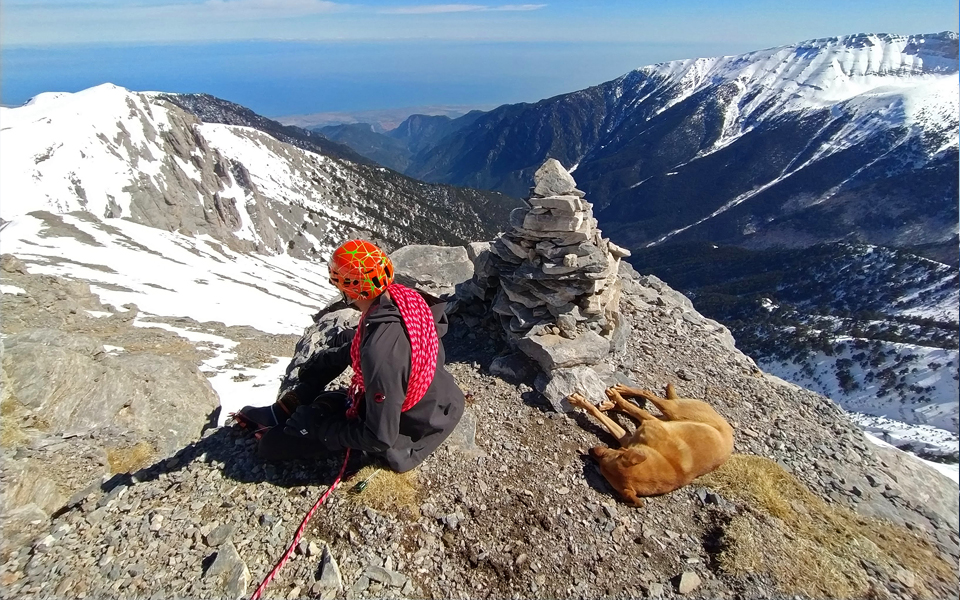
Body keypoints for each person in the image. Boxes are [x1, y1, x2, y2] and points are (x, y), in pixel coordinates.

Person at [233, 239, 465, 473]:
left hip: (412, 433)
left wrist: (319, 429)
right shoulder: (408, 301)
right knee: (344, 344)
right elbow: (362, 345)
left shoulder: (379, 355)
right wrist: (322, 364)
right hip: (439, 402)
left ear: (350, 290)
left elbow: (379, 438)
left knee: (271, 445)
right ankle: (290, 407)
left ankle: (301, 416)